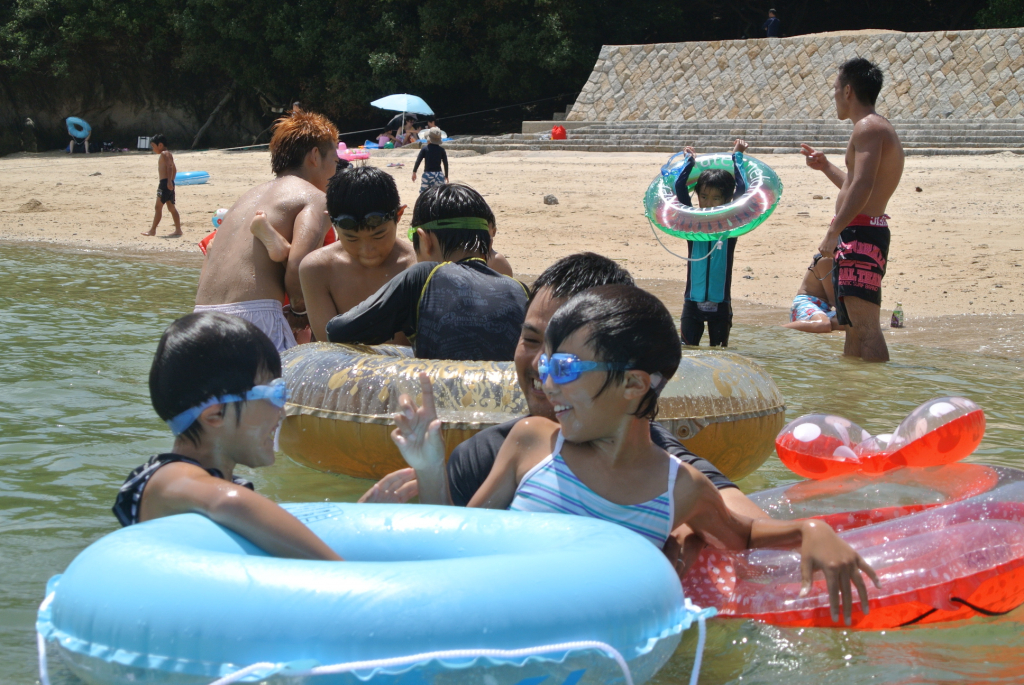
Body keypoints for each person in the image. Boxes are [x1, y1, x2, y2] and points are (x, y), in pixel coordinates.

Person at [387, 285, 880, 625]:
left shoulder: (678, 488)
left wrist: (810, 530)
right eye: (546, 365)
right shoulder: (532, 443)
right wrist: (429, 468)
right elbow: (460, 545)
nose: (546, 382)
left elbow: (742, 535)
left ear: (633, 384)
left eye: (564, 367)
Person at [113, 311, 341, 561]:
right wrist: (340, 569)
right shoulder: (168, 478)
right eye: (276, 394)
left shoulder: (224, 486)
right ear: (215, 414)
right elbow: (229, 502)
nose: (283, 411)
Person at [325, 183, 528, 361]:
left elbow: (338, 330)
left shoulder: (424, 276)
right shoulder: (520, 289)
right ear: (488, 241)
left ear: (424, 240)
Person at [193, 109, 338, 352]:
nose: (335, 171)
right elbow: (299, 268)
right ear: (315, 156)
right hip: (253, 319)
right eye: (335, 161)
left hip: (200, 320)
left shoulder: (246, 199)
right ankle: (279, 248)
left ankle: (278, 246)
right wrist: (300, 313)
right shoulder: (314, 198)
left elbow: (210, 252)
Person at [800, 57, 905, 362]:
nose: (834, 94)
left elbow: (863, 186)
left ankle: (876, 390)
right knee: (853, 329)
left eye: (835, 88)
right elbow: (854, 184)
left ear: (848, 91)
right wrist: (826, 167)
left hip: (861, 236)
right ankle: (853, 388)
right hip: (861, 232)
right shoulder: (873, 127)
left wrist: (833, 231)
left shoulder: (868, 127)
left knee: (866, 328)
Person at [299, 166, 417, 343]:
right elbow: (329, 347)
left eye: (378, 236)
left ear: (399, 215)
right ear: (331, 221)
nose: (367, 250)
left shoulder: (416, 267)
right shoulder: (317, 269)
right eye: (352, 238)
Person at [674, 139, 748, 347]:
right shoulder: (692, 223)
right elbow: (680, 187)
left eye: (716, 198)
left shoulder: (730, 226)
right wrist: (689, 161)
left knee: (720, 353)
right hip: (692, 303)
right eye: (704, 196)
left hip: (721, 304)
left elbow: (742, 188)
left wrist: (737, 155)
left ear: (726, 200)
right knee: (687, 351)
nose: (707, 203)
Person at [784, 253, 845, 334]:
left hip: (824, 309)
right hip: (806, 302)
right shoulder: (827, 259)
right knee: (823, 324)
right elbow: (835, 301)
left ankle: (811, 325)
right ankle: (775, 330)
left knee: (853, 323)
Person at [143, 134, 181, 238]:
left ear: (160, 145)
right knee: (171, 207)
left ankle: (152, 230)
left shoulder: (165, 154)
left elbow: (170, 167)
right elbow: (174, 169)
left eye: (153, 146)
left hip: (165, 184)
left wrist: (169, 181)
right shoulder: (167, 154)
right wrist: (172, 181)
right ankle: (178, 230)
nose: (153, 149)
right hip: (167, 183)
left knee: (158, 207)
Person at [412, 127, 449, 194]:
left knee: (424, 194)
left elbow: (418, 160)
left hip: (428, 174)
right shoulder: (442, 150)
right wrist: (446, 175)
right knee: (439, 194)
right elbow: (445, 163)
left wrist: (414, 172)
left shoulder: (425, 149)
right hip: (439, 174)